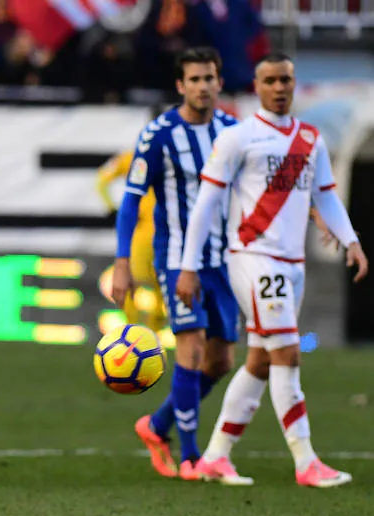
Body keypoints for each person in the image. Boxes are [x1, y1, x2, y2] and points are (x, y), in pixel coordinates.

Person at [175, 52, 368, 487]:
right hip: (253, 257)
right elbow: (206, 204)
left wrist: (351, 239)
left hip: (291, 263)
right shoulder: (240, 138)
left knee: (261, 361)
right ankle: (306, 461)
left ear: (294, 84)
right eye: (270, 81)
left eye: (286, 80)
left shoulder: (310, 139)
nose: (279, 88)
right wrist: (188, 267)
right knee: (288, 354)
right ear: (256, 86)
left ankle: (214, 457)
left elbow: (326, 196)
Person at [112, 47, 239, 480]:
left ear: (219, 82)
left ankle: (156, 425)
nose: (204, 86)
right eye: (195, 79)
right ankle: (189, 457)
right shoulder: (159, 134)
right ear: (180, 85)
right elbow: (131, 201)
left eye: (210, 78)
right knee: (192, 346)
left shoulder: (232, 131)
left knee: (221, 363)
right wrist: (123, 262)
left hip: (224, 261)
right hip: (177, 260)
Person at [96, 148, 167, 336]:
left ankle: (138, 329)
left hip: (150, 231)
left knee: (137, 278)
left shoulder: (134, 158)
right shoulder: (174, 157)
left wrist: (112, 208)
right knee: (157, 279)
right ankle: (145, 328)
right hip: (162, 230)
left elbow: (102, 181)